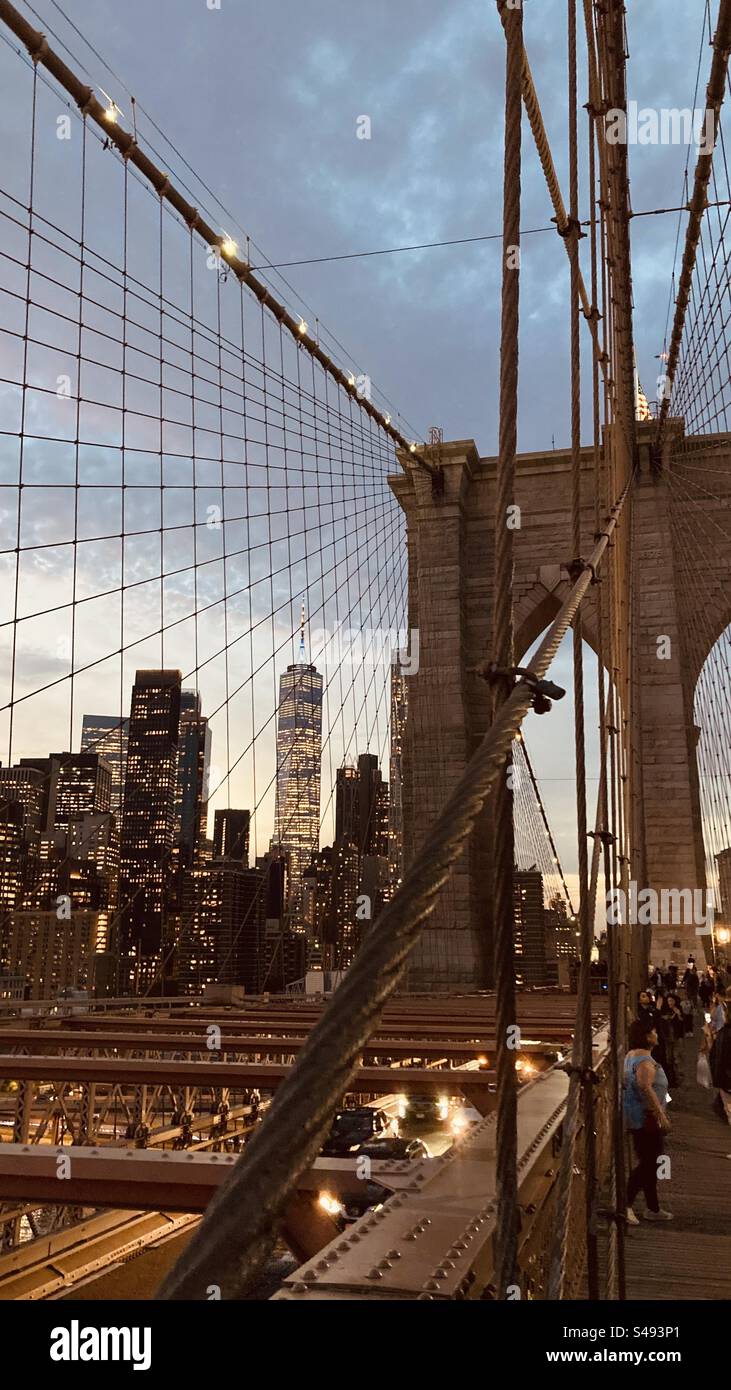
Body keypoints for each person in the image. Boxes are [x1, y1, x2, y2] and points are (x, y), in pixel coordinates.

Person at [624, 1019, 672, 1223]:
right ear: (646, 1036)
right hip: (647, 1118)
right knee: (649, 1163)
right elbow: (645, 1087)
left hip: (640, 1116)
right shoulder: (643, 1060)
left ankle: (652, 1208)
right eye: (654, 1032)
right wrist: (661, 1114)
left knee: (650, 1162)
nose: (657, 1035)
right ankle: (624, 1204)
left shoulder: (632, 1056)